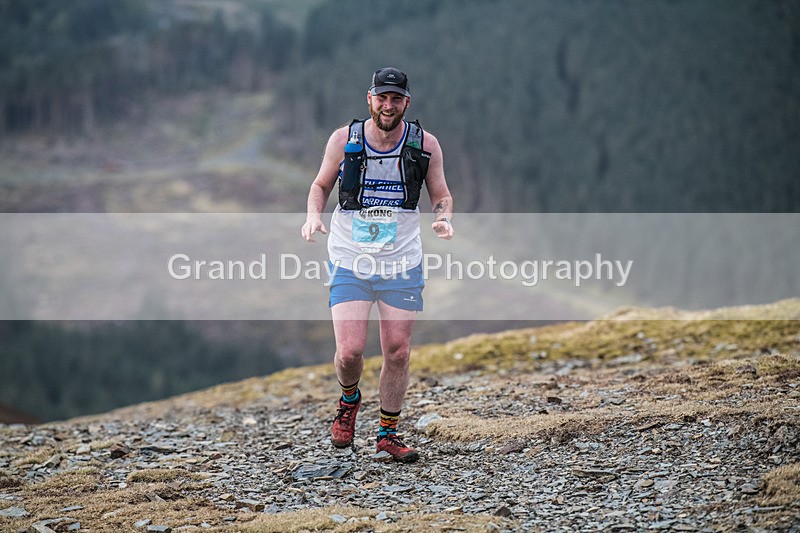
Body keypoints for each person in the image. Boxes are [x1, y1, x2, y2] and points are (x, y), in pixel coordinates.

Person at [301, 67, 453, 463]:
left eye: (396, 98)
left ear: (407, 102)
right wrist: (313, 216)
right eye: (381, 97)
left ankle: (387, 432)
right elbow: (320, 185)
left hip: (401, 261)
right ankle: (349, 401)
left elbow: (441, 194)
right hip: (350, 259)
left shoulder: (426, 144)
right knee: (350, 353)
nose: (388, 105)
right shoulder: (344, 139)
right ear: (369, 99)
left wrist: (443, 216)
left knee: (398, 351)